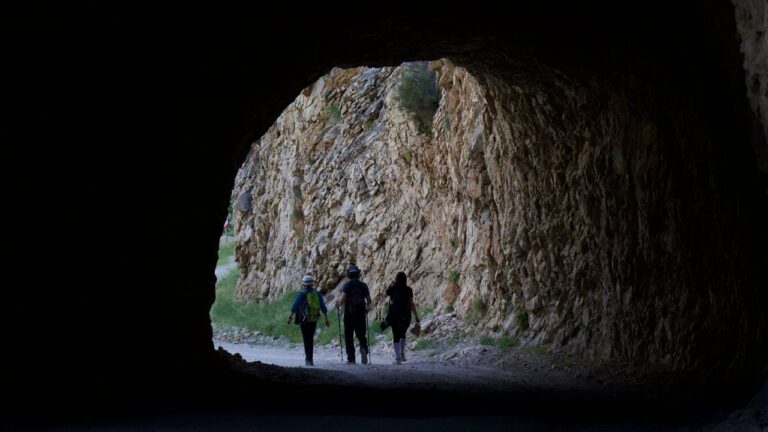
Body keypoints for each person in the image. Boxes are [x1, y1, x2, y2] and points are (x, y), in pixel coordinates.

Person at [287, 274, 330, 366]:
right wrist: (326, 319)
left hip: (304, 319)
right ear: (312, 284)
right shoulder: (317, 293)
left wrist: (290, 317)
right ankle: (310, 359)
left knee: (306, 339)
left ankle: (308, 360)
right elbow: (323, 307)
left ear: (303, 284)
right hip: (313, 319)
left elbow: (295, 305)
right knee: (310, 338)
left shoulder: (301, 293)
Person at [381, 271, 420, 365]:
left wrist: (391, 285)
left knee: (396, 335)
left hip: (394, 315)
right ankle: (402, 354)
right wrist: (416, 316)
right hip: (406, 315)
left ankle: (398, 359)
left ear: (396, 279)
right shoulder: (408, 290)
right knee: (403, 333)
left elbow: (385, 294)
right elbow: (411, 304)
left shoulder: (393, 288)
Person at [337, 264, 372, 364]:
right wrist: (367, 308)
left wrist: (338, 304)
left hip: (349, 313)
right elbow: (369, 300)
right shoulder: (363, 285)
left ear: (349, 274)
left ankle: (351, 358)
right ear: (358, 274)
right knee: (361, 334)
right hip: (361, 312)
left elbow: (343, 299)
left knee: (348, 335)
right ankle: (363, 348)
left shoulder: (347, 285)